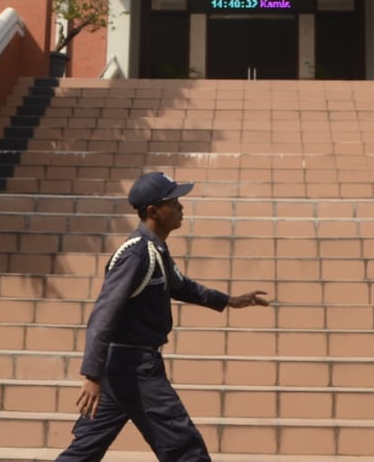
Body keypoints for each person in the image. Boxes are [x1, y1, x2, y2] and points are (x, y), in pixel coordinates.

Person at [54, 171, 272, 462]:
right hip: (134, 368)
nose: (181, 207)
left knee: (84, 452)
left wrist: (230, 301)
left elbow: (182, 286)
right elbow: (103, 314)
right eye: (175, 202)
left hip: (123, 369)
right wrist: (91, 375)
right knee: (185, 449)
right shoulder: (136, 254)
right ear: (154, 211)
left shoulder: (155, 250)